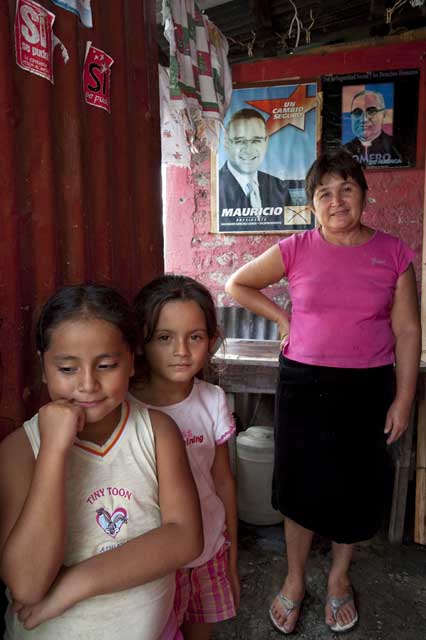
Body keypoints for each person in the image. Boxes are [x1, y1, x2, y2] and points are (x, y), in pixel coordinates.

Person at [225, 149, 421, 635]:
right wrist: (285, 320)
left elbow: (409, 331)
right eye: (324, 193)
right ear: (312, 203)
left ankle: (337, 580)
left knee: (354, 489)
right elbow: (238, 284)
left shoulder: (394, 253)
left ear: (364, 194)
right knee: (299, 487)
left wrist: (402, 398)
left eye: (347, 189)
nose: (337, 201)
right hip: (303, 384)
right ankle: (294, 580)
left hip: (367, 386)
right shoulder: (295, 248)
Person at [0, 284, 203, 640]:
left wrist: (72, 584)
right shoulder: (20, 449)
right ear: (44, 367)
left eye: (106, 365)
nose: (88, 384)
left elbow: (186, 537)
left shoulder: (156, 433)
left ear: (131, 361)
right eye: (67, 368)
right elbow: (27, 586)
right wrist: (52, 452)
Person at [131, 275, 239, 640]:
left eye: (194, 336)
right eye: (165, 337)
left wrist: (232, 555)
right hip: (155, 562)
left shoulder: (212, 400)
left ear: (210, 341)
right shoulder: (126, 407)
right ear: (142, 344)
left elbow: (222, 480)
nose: (181, 350)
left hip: (209, 551)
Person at [219, 108, 303, 214]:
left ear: (266, 141)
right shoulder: (216, 189)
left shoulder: (280, 186)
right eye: (240, 141)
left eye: (256, 141)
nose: (249, 150)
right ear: (227, 144)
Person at [343, 89, 402, 167]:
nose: (364, 119)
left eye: (371, 111)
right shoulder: (343, 151)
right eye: (357, 112)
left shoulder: (397, 147)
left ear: (383, 114)